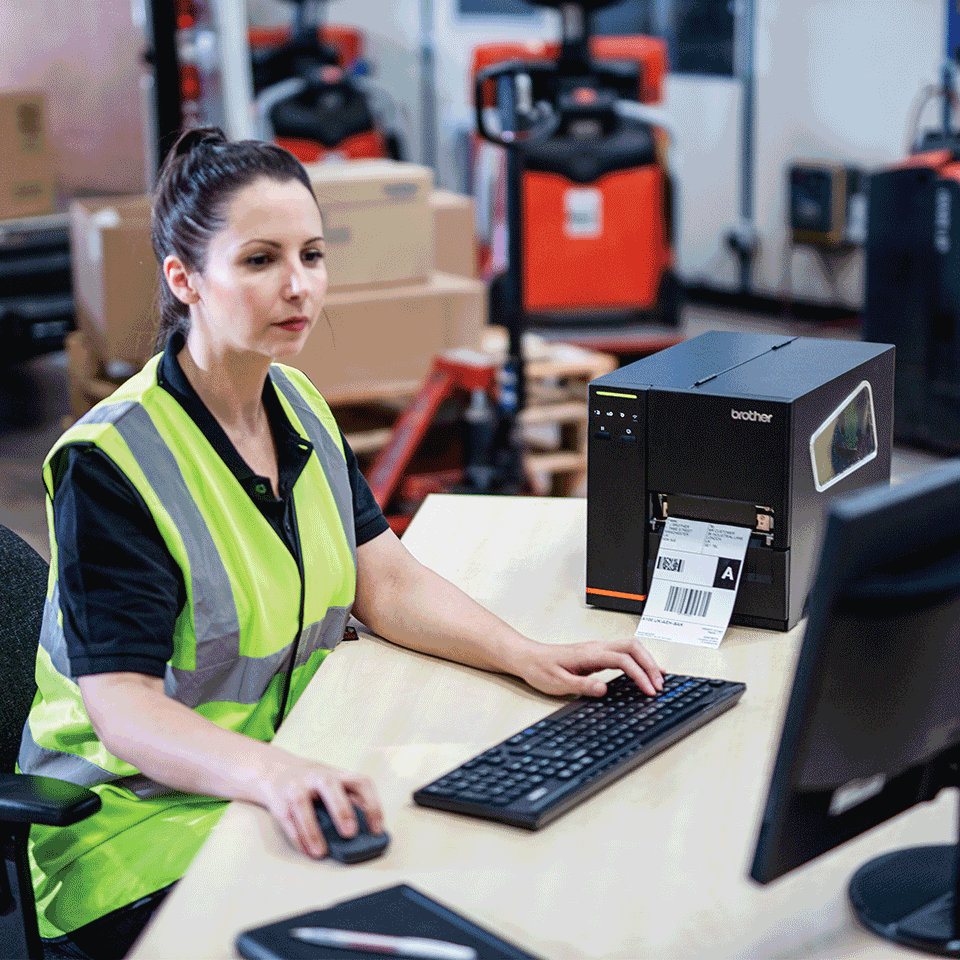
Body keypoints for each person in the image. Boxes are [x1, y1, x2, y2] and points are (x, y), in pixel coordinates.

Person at [19, 127, 664, 960]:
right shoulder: (116, 464)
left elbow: (384, 582)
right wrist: (275, 776)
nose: (299, 286)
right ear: (185, 280)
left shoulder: (296, 406)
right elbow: (125, 712)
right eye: (259, 260)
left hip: (278, 778)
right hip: (133, 836)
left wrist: (527, 654)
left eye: (312, 254)